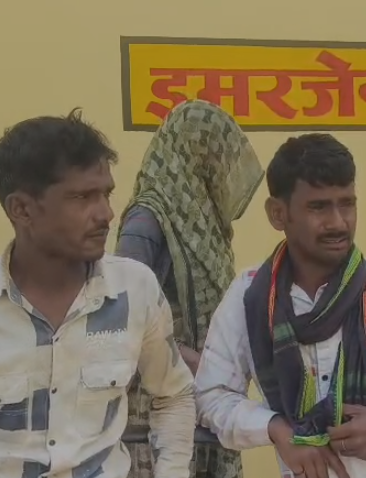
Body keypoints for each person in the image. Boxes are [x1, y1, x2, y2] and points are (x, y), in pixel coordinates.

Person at [0, 109, 196, 478]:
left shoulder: (136, 291)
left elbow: (174, 396)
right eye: (82, 197)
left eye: (106, 193)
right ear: (22, 210)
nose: (106, 213)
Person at [195, 132, 366, 478]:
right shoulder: (250, 298)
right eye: (318, 207)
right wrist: (276, 429)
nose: (338, 222)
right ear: (278, 214)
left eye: (347, 204)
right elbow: (212, 395)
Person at [115, 99, 263, 478]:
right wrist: (195, 361)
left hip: (204, 395)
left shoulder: (200, 219)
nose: (222, 172)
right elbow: (122, 315)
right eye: (216, 158)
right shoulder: (147, 220)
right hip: (157, 409)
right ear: (193, 154)